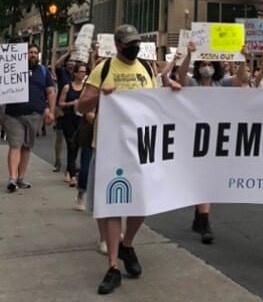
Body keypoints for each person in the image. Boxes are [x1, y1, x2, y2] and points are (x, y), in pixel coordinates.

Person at [78, 24, 179, 295]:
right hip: (111, 147)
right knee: (112, 205)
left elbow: (156, 102)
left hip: (141, 147)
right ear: (119, 45)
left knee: (141, 202)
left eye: (137, 42)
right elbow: (81, 105)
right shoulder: (105, 69)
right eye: (129, 43)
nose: (134, 47)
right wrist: (100, 95)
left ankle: (128, 243)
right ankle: (112, 266)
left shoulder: (146, 69)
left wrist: (173, 91)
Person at [178, 40, 249, 245]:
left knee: (206, 177)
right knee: (203, 177)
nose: (206, 67)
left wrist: (242, 58)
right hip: (194, 136)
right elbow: (182, 77)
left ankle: (200, 218)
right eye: (202, 64)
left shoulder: (222, 84)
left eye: (209, 64)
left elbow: (241, 79)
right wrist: (188, 56)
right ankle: (205, 222)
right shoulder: (192, 84)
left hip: (216, 137)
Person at [2, 44, 56, 193]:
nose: (32, 54)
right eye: (29, 52)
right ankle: (12, 178)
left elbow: (50, 92)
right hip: (14, 114)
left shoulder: (44, 71)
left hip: (34, 115)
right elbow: (1, 87)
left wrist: (51, 111)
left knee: (27, 146)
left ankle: (21, 177)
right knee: (15, 145)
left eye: (35, 52)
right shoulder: (12, 68)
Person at [58, 62, 87, 186]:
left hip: (81, 119)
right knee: (71, 145)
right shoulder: (67, 87)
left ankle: (70, 171)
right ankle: (73, 174)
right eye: (80, 71)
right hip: (69, 119)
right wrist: (72, 103)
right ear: (75, 73)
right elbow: (61, 103)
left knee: (78, 145)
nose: (83, 74)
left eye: (84, 72)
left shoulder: (86, 87)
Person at [52, 52, 75, 172]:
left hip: (74, 109)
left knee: (72, 138)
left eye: (73, 61)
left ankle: (72, 163)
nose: (71, 63)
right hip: (61, 109)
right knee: (60, 136)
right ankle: (58, 159)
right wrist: (68, 53)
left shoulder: (78, 74)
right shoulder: (62, 73)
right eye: (69, 61)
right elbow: (57, 64)